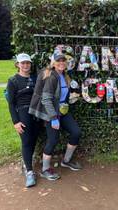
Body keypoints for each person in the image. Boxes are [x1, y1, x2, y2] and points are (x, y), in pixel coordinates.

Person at [29, 52, 82, 180]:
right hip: (51, 113)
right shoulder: (51, 76)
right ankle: (45, 169)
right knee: (53, 140)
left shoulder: (64, 75)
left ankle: (66, 161)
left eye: (63, 61)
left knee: (76, 132)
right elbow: (46, 100)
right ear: (53, 63)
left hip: (63, 111)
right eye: (58, 61)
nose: (61, 63)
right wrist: (53, 118)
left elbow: (63, 95)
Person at [7, 53, 38, 187]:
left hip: (36, 113)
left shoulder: (35, 78)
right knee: (26, 141)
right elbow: (11, 103)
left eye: (28, 63)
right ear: (17, 64)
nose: (26, 65)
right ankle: (29, 172)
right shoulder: (13, 80)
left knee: (33, 140)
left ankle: (26, 163)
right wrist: (16, 122)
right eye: (23, 63)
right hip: (23, 113)